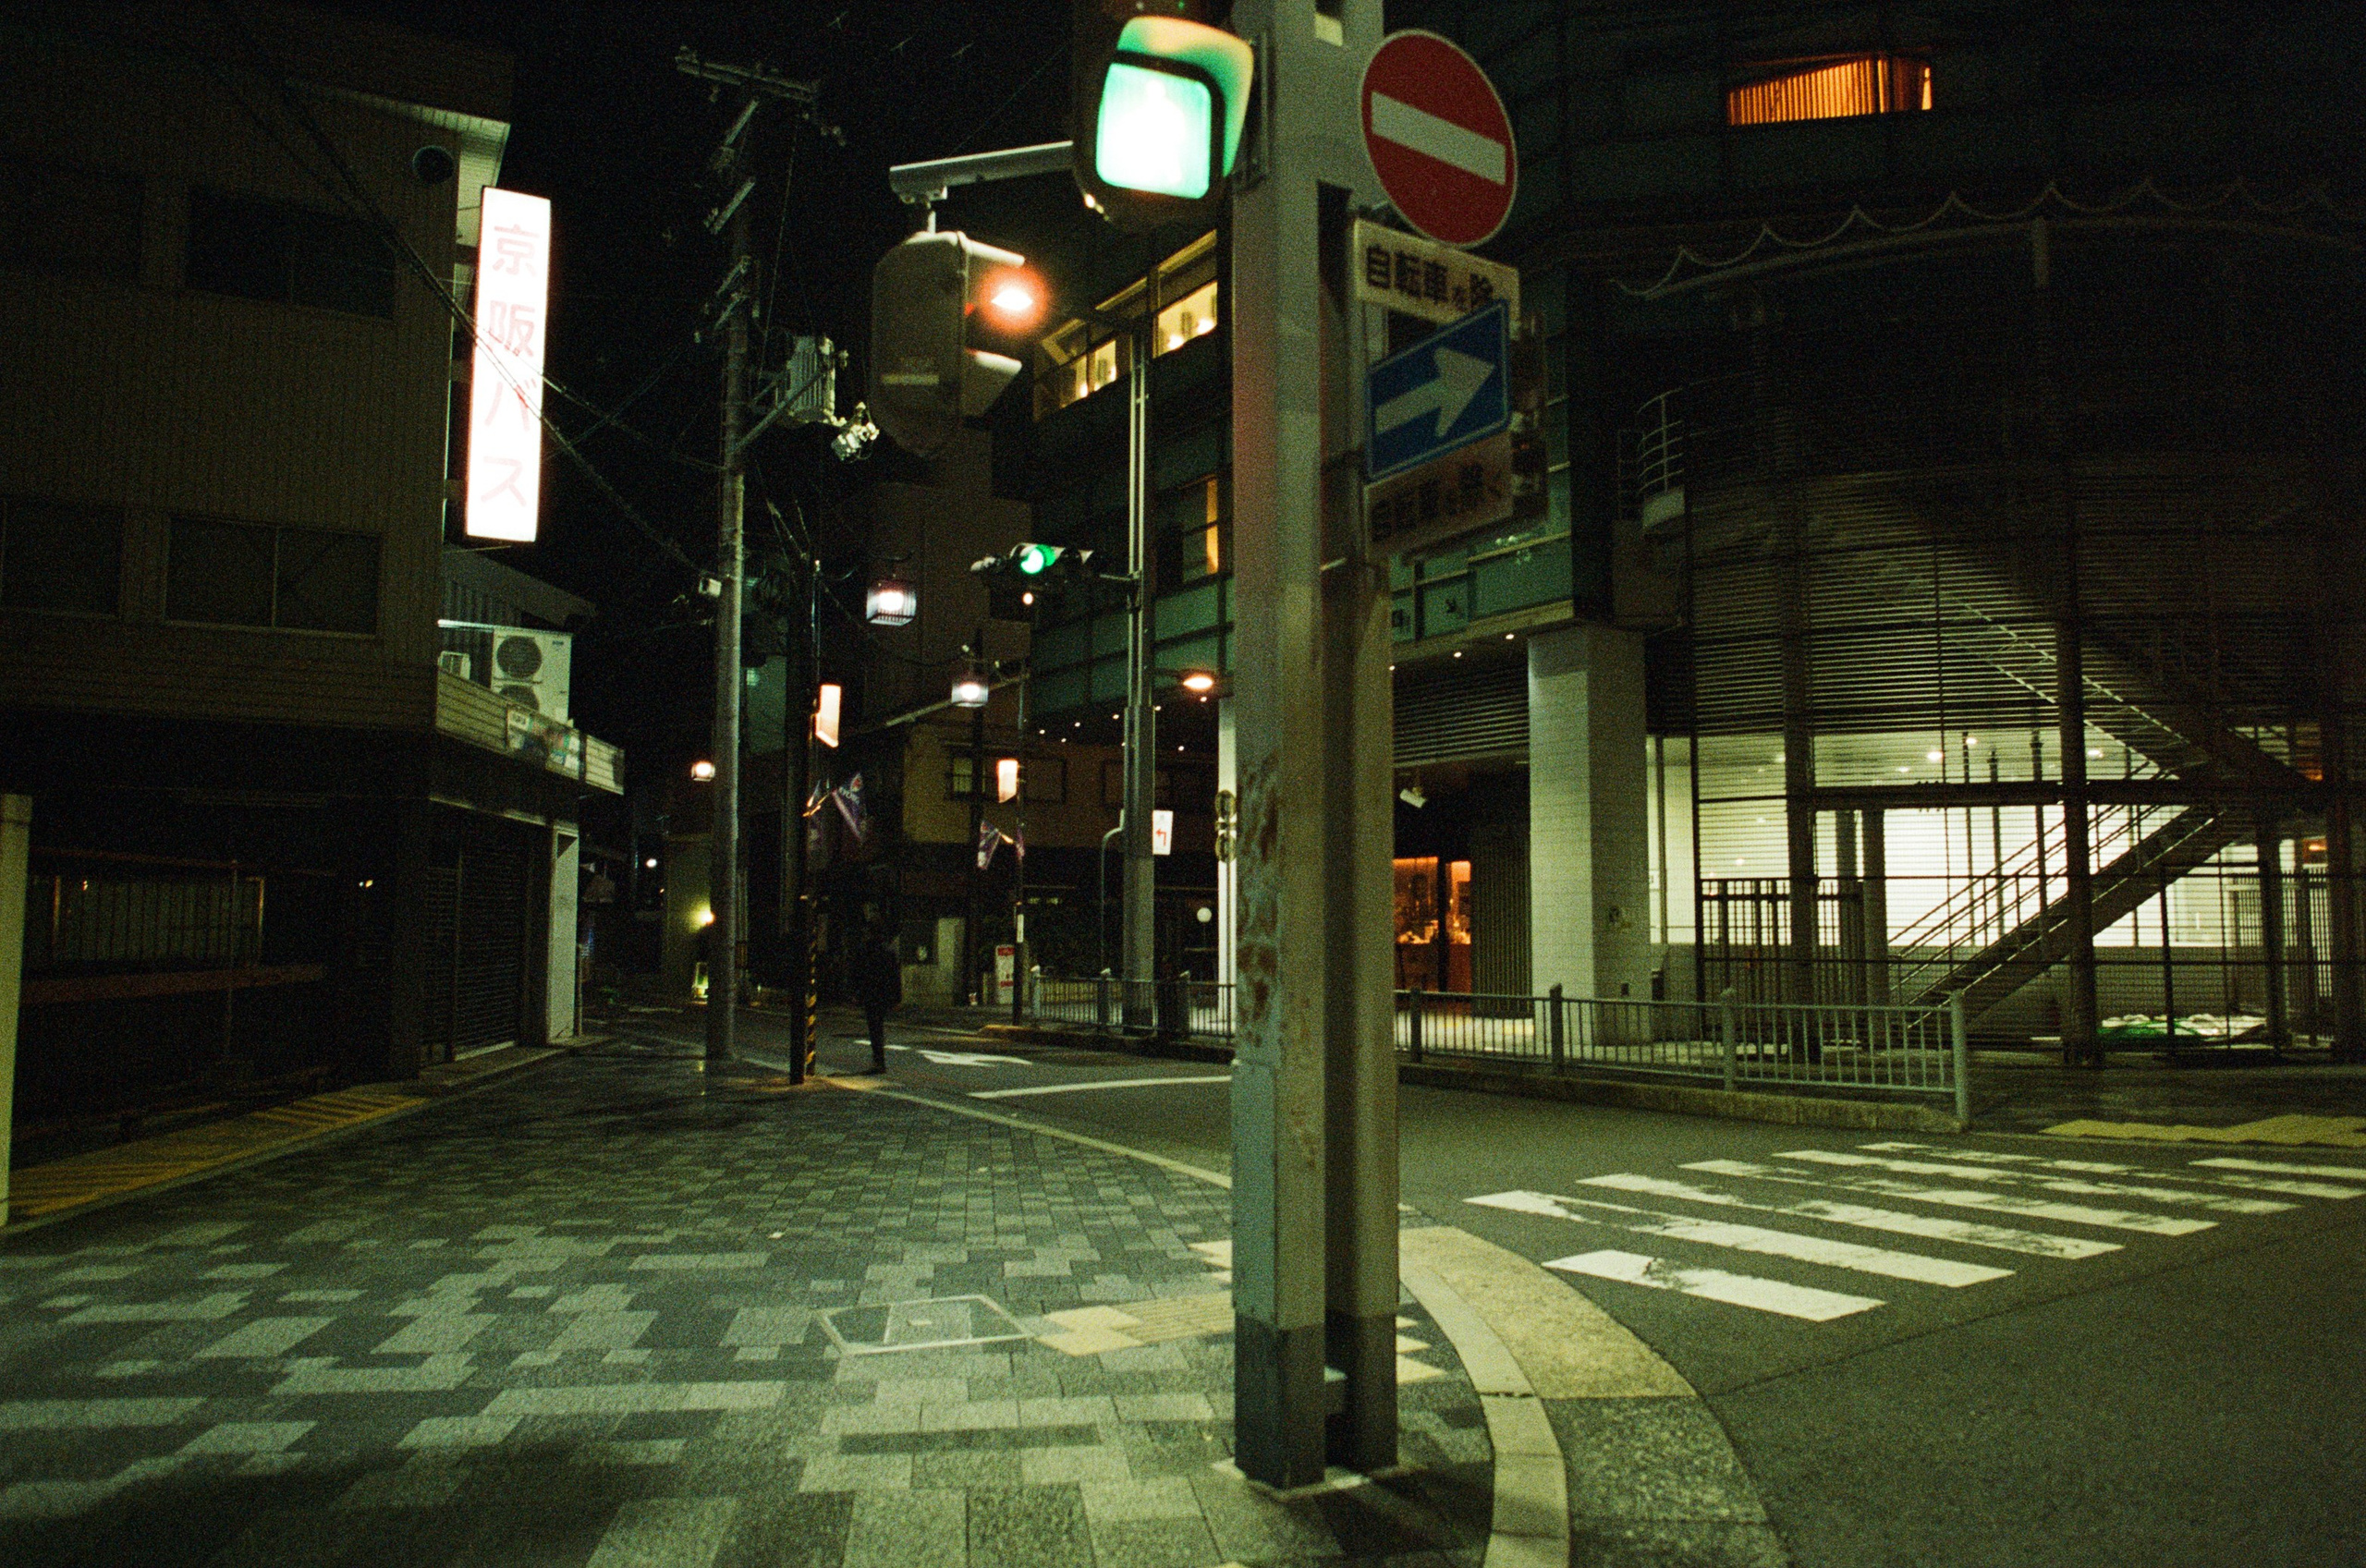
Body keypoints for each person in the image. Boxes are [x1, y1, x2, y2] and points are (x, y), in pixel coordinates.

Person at [852, 924, 902, 1073]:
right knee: (878, 1027)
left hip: (870, 993)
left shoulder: (864, 950)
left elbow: (858, 973)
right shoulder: (888, 951)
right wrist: (897, 998)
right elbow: (895, 976)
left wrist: (856, 993)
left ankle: (878, 1060)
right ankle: (879, 1060)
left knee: (874, 1027)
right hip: (884, 992)